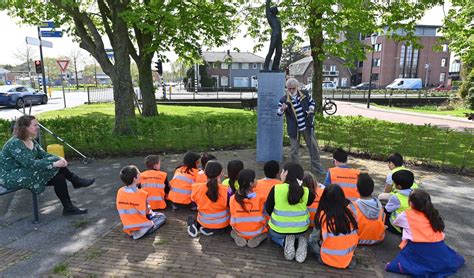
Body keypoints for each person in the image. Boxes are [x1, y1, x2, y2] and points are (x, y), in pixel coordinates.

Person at [0, 115, 94, 216]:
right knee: (52, 166)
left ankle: (68, 208)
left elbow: (44, 155)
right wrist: (54, 163)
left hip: (26, 171)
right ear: (25, 127)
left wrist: (60, 158)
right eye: (35, 125)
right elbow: (30, 163)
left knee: (59, 178)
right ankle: (75, 180)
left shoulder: (30, 140)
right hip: (12, 176)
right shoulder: (15, 143)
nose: (38, 127)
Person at [386, 189, 465, 276]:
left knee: (403, 264)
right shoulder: (433, 213)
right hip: (438, 246)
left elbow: (395, 223)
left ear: (410, 203)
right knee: (451, 259)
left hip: (418, 247)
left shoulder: (406, 214)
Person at [266, 162, 315, 263]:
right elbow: (309, 202)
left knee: (271, 235)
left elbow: (268, 209)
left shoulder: (276, 189)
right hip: (300, 230)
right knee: (296, 235)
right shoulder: (307, 192)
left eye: (283, 171)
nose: (281, 173)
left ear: (286, 173)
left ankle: (284, 242)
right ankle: (299, 242)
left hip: (278, 230)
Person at [277, 78, 324, 175]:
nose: (291, 91)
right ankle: (296, 171)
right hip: (294, 129)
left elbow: (312, 103)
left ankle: (317, 169)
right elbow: (278, 113)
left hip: (307, 126)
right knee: (294, 150)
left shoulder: (305, 94)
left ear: (297, 87)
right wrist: (282, 109)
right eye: (289, 88)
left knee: (313, 148)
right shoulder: (284, 99)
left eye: (293, 88)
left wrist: (311, 109)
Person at [308, 184, 358, 269]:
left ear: (324, 199)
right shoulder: (350, 214)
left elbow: (313, 240)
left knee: (311, 244)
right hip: (348, 259)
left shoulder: (322, 215)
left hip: (326, 258)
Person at [116, 165, 166, 240]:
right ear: (135, 179)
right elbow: (146, 212)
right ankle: (145, 229)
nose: (141, 175)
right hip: (140, 224)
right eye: (139, 174)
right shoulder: (142, 194)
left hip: (127, 226)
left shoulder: (120, 191)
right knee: (162, 217)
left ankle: (135, 231)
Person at [187, 161, 230, 237]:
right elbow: (231, 206)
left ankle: (195, 225)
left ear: (205, 173)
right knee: (225, 229)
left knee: (191, 217)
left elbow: (194, 204)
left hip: (203, 221)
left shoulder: (196, 187)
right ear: (220, 173)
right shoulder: (227, 190)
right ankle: (209, 230)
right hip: (222, 224)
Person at [229, 169, 268, 248]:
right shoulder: (261, 198)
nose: (256, 180)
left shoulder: (233, 198)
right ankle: (259, 237)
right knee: (267, 232)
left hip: (240, 231)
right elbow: (266, 217)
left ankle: (238, 236)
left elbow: (233, 216)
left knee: (232, 231)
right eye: (255, 178)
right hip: (257, 231)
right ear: (251, 183)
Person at [353, 173, 385, 245]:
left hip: (357, 239)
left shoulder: (352, 207)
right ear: (372, 190)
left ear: (357, 190)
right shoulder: (380, 207)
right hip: (378, 239)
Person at [384, 170, 415, 235]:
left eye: (394, 183)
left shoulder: (396, 197)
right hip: (411, 224)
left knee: (382, 213)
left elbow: (388, 209)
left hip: (398, 227)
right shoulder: (415, 194)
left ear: (399, 186)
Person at [263, 0, 282, 71]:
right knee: (271, 50)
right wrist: (268, 1)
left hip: (279, 36)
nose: (277, 9)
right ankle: (265, 66)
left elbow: (280, 30)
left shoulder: (278, 19)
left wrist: (281, 39)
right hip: (274, 35)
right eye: (275, 8)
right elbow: (267, 8)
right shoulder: (270, 17)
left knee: (279, 51)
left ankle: (275, 66)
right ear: (273, 11)